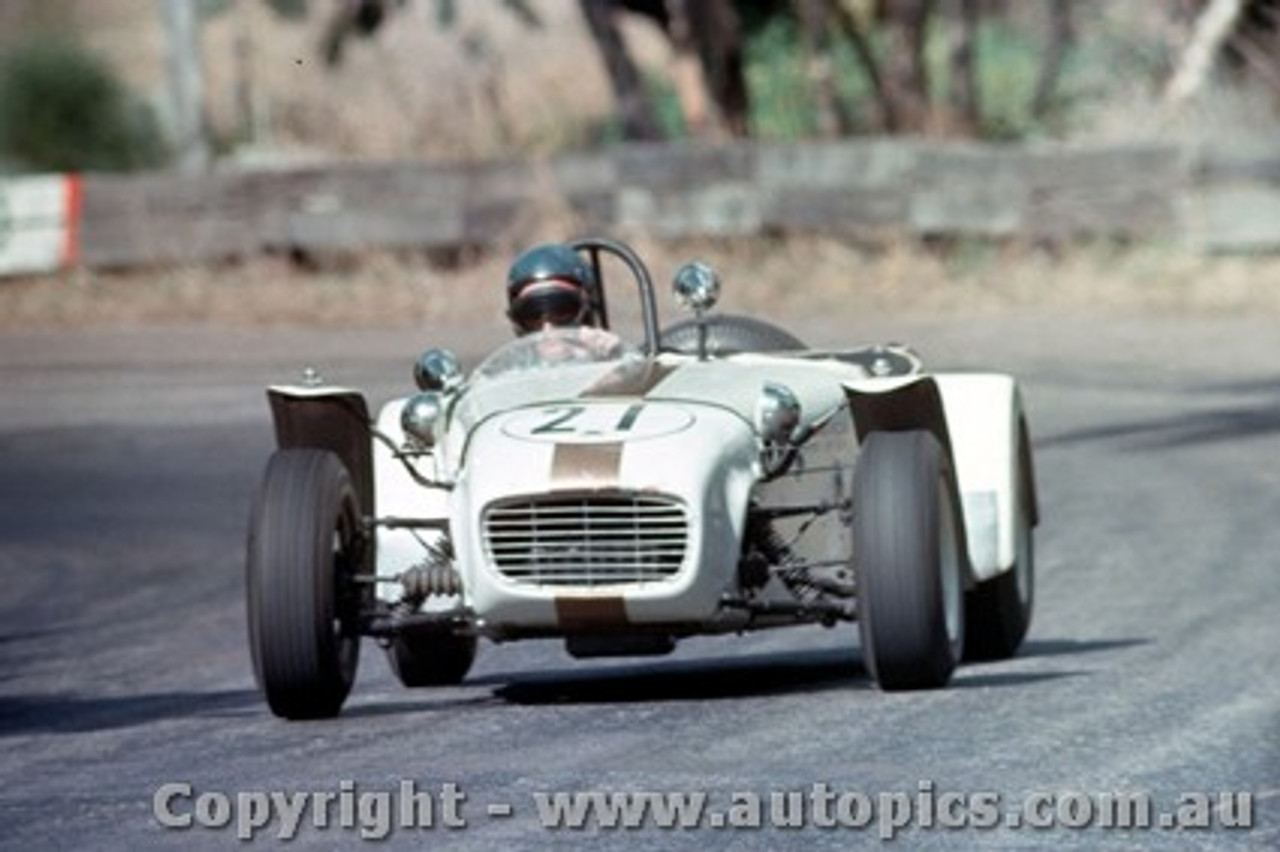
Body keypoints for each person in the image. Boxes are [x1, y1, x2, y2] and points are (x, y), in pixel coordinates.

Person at [504, 243, 628, 361]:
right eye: (532, 316)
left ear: (586, 314)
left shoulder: (610, 361)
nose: (548, 331)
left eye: (561, 312)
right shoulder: (513, 374)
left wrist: (615, 360)